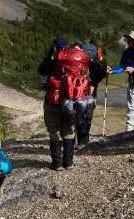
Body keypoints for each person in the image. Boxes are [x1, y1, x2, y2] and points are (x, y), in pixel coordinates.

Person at [38, 37, 76, 170]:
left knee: (54, 131)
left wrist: (51, 55)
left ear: (54, 48)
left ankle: (57, 164)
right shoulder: (73, 60)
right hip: (71, 101)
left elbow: (42, 69)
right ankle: (69, 163)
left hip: (52, 101)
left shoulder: (54, 60)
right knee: (69, 130)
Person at [72, 41, 109, 147]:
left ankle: (77, 140)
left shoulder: (77, 61)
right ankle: (84, 141)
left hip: (78, 90)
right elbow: (99, 75)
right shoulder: (96, 63)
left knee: (78, 115)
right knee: (87, 115)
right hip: (90, 91)